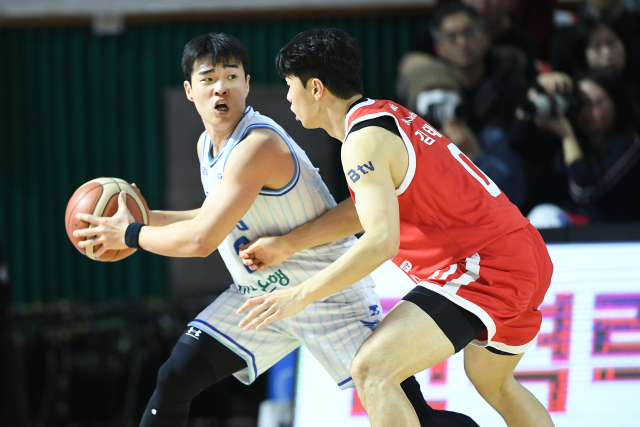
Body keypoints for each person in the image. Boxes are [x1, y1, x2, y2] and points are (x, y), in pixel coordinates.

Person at [72, 33, 479, 427]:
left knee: (415, 418)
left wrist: (129, 235)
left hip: (326, 294)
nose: (221, 90)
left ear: (248, 85)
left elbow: (202, 240)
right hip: (262, 298)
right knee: (175, 377)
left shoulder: (258, 144)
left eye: (231, 77)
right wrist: (145, 218)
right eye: (208, 79)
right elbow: (213, 214)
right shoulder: (206, 145)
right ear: (189, 90)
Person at [237, 28, 555, 427]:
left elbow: (381, 242)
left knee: (372, 369)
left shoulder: (361, 143)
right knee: (495, 383)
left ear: (316, 88)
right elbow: (365, 210)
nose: (287, 98)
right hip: (523, 252)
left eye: (289, 86)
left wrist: (300, 295)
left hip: (483, 264)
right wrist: (288, 244)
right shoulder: (385, 115)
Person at [399, 2, 529, 208]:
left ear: (486, 37)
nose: (462, 43)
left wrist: (474, 154)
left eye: (469, 33)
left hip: (505, 204)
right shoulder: (429, 93)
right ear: (439, 48)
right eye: (452, 37)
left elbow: (516, 186)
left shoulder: (510, 85)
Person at [531, 70, 640, 222]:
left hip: (617, 236)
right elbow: (517, 141)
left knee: (543, 216)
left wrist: (568, 137)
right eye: (580, 104)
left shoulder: (630, 144)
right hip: (575, 230)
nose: (586, 112)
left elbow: (585, 192)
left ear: (615, 101)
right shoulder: (576, 138)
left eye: (594, 103)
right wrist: (537, 90)